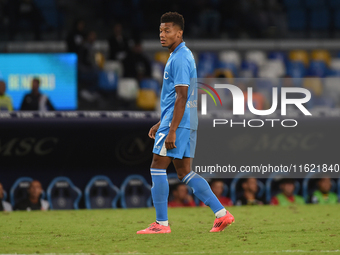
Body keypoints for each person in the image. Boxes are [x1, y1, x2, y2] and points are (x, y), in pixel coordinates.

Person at [137, 12, 234, 234]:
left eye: (167, 30)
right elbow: (179, 98)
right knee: (184, 172)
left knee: (157, 166)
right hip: (186, 120)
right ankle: (221, 214)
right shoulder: (182, 55)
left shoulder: (179, 58)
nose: (162, 35)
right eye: (160, 30)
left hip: (177, 123)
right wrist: (161, 121)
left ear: (179, 33)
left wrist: (170, 130)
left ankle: (161, 224)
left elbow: (182, 96)